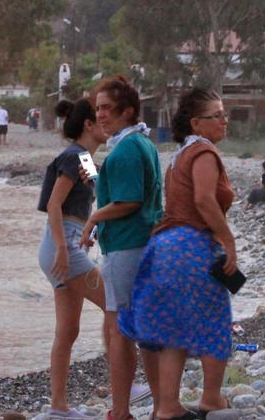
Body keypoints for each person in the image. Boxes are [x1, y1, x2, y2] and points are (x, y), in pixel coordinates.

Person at [122, 88, 237, 419]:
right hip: (192, 246)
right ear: (197, 124)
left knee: (173, 328)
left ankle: (168, 406)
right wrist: (227, 240)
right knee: (216, 319)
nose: (224, 121)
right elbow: (203, 200)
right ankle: (212, 398)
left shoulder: (178, 158)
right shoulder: (204, 153)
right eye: (218, 115)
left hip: (165, 248)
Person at [79, 74, 163, 420]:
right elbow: (132, 195)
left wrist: (93, 218)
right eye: (97, 109)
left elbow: (129, 201)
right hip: (143, 243)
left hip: (127, 248)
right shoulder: (142, 143)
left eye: (108, 109)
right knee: (143, 329)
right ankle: (161, 405)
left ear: (128, 111)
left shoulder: (127, 149)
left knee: (119, 330)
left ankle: (122, 411)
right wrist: (100, 180)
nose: (100, 115)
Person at [38, 99, 111, 419]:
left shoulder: (85, 159)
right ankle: (126, 382)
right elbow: (55, 205)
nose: (106, 124)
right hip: (62, 245)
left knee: (67, 331)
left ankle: (58, 408)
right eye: (100, 118)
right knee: (115, 304)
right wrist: (65, 249)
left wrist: (86, 234)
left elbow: (86, 205)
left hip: (65, 244)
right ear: (88, 125)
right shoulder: (72, 157)